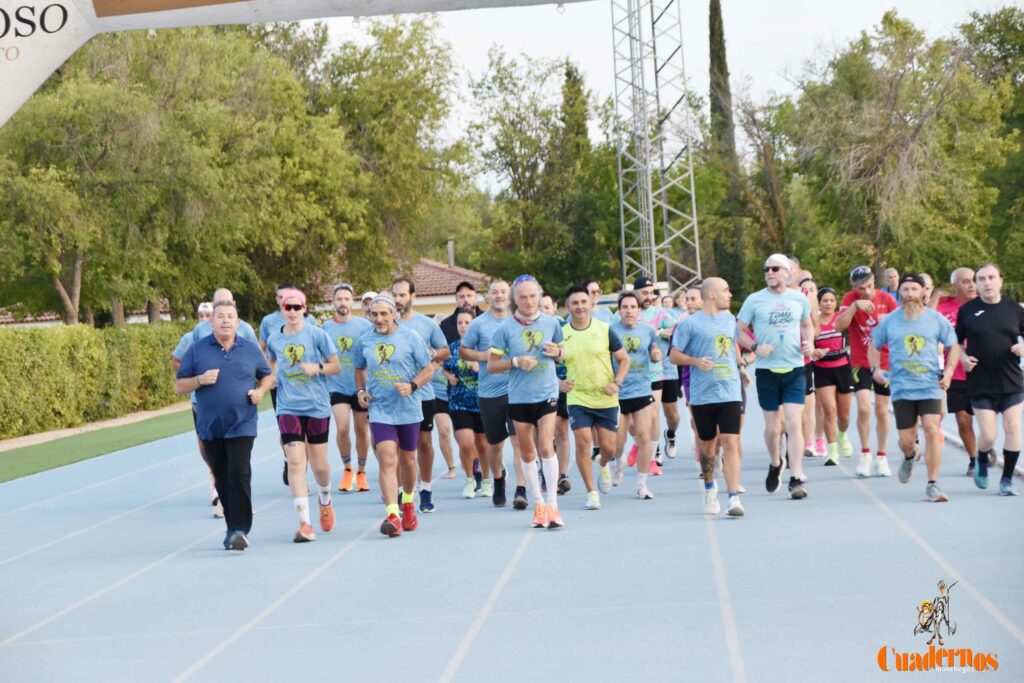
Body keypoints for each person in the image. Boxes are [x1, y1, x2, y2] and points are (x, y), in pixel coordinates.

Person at [175, 301, 273, 550]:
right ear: (212, 322)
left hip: (243, 423)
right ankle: (232, 527)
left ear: (238, 322)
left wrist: (261, 391)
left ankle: (240, 529)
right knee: (221, 477)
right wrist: (199, 379)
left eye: (230, 316)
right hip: (211, 425)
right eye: (220, 316)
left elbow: (267, 375)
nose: (226, 320)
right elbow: (179, 385)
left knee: (239, 473)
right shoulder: (197, 349)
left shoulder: (249, 349)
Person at [869, 274, 960, 502]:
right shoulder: (890, 320)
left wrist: (949, 372)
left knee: (931, 428)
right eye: (906, 289)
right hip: (902, 388)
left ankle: (932, 484)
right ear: (900, 293)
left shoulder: (935, 319)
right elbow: (874, 345)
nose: (910, 294)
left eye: (914, 289)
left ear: (922, 292)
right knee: (906, 441)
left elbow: (953, 345)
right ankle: (909, 456)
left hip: (930, 385)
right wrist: (875, 369)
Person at [354, 295, 437, 537]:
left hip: (408, 408)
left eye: (383, 314)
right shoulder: (364, 339)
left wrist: (412, 385)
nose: (379, 319)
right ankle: (393, 514)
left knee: (408, 459)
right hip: (380, 408)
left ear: (393, 314)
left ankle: (408, 502)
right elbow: (358, 367)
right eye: (374, 314)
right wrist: (360, 391)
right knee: (387, 457)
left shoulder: (410, 337)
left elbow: (429, 369)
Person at [489, 275, 566, 529]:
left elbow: (562, 352)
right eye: (523, 297)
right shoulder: (505, 329)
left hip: (547, 392)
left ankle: (553, 504)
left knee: (545, 445)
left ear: (539, 296)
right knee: (528, 451)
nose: (529, 301)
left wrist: (558, 353)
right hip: (519, 396)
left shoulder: (552, 322)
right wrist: (515, 362)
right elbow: (492, 366)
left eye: (533, 296)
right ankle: (538, 503)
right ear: (515, 299)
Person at [265, 289, 341, 543]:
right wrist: (270, 380)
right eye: (288, 307)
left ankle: (325, 498)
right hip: (288, 407)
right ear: (282, 310)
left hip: (317, 406)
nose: (293, 311)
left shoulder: (317, 334)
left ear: (304, 309)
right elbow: (271, 365)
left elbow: (336, 366)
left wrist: (317, 367)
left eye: (297, 307)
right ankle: (304, 523)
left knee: (320, 466)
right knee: (296, 462)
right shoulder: (275, 339)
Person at [737, 253, 814, 499]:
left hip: (795, 368)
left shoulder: (798, 298)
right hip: (767, 371)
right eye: (766, 269)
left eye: (774, 269)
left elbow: (807, 324)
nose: (769, 273)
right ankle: (775, 462)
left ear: (787, 272)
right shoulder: (754, 300)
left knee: (793, 422)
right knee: (773, 429)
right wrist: (754, 346)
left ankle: (796, 476)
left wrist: (810, 343)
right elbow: (738, 330)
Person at [672, 277, 747, 516]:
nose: (730, 295)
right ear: (712, 295)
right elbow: (674, 355)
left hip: (730, 390)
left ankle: (733, 498)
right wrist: (694, 361)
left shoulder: (730, 319)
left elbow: (733, 346)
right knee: (708, 446)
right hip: (702, 394)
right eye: (726, 290)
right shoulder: (689, 324)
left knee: (731, 442)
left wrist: (742, 366)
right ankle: (709, 488)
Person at [955, 263, 1024, 496]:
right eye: (981, 279)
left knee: (1013, 427)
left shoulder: (1014, 309)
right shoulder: (967, 311)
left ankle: (1007, 480)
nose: (987, 283)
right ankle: (982, 457)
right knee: (989, 434)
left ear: (1000, 280)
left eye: (992, 277)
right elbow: (956, 343)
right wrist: (963, 358)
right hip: (980, 381)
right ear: (976, 284)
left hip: (1011, 379)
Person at [561, 283, 630, 510]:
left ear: (590, 303)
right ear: (567, 306)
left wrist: (617, 383)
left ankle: (603, 463)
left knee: (609, 448)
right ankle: (592, 493)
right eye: (575, 303)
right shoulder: (561, 333)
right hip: (578, 397)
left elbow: (624, 359)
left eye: (583, 302)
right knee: (583, 442)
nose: (580, 306)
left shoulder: (604, 329)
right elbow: (546, 363)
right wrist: (558, 383)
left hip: (605, 397)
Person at [460, 280, 528, 508]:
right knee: (495, 445)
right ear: (487, 297)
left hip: (518, 390)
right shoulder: (479, 324)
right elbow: (464, 351)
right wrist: (484, 356)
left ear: (511, 295)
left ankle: (521, 488)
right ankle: (498, 479)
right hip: (490, 392)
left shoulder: (520, 321)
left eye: (503, 292)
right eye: (494, 292)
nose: (499, 296)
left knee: (519, 441)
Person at [391, 278, 452, 513]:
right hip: (394, 396)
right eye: (395, 295)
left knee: (424, 443)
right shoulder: (385, 324)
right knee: (398, 447)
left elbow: (445, 351)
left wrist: (432, 353)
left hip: (423, 394)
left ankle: (425, 489)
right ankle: (401, 492)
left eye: (402, 295)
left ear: (413, 297)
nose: (398, 299)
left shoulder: (426, 324)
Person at [842, 266, 899, 478]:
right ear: (853, 287)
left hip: (884, 362)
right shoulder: (850, 299)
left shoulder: (887, 299)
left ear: (874, 283)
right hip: (860, 361)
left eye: (868, 287)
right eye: (859, 288)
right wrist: (854, 307)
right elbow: (839, 326)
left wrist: (888, 323)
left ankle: (881, 456)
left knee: (882, 411)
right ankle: (865, 453)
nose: (865, 292)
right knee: (864, 408)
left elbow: (900, 328)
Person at [258, 282, 315, 486]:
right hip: (281, 386)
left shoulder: (309, 320)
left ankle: (301, 473)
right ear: (278, 301)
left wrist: (314, 369)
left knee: (306, 434)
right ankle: (289, 459)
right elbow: (262, 350)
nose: (289, 305)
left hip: (306, 386)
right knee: (288, 431)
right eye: (281, 298)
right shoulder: (268, 322)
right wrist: (269, 375)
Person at [321, 283, 374, 493]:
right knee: (342, 427)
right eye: (339, 299)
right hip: (336, 386)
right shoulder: (326, 328)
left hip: (360, 386)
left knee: (361, 429)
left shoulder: (364, 326)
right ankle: (348, 469)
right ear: (333, 302)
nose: (343, 303)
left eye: (346, 299)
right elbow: (321, 356)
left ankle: (361, 472)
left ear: (352, 302)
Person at [171, 301, 221, 516]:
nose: (204, 319)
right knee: (205, 444)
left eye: (208, 315)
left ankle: (222, 485)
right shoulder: (190, 337)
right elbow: (175, 362)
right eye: (201, 315)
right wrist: (193, 375)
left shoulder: (226, 335)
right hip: (199, 400)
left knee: (226, 443)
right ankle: (214, 471)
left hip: (224, 399)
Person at [610, 291, 660, 498]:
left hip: (641, 389)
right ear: (619, 310)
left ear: (639, 310)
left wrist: (655, 355)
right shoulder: (610, 331)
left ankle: (642, 484)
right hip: (619, 392)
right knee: (618, 441)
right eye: (625, 307)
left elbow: (654, 350)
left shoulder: (648, 331)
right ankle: (618, 461)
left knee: (644, 436)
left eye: (633, 307)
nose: (629, 311)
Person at [934, 268, 979, 475]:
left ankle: (986, 447)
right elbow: (926, 322)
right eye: (966, 281)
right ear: (955, 285)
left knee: (987, 417)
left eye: (974, 280)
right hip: (956, 372)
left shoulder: (984, 303)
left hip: (984, 370)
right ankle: (974, 459)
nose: (972, 285)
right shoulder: (944, 306)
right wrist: (935, 298)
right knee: (963, 418)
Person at [443, 308, 489, 499]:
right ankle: (469, 479)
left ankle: (486, 480)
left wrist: (478, 364)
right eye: (460, 323)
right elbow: (443, 366)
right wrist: (448, 376)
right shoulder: (453, 348)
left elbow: (495, 368)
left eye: (467, 322)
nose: (463, 326)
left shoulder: (482, 346)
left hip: (482, 400)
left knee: (483, 445)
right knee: (466, 443)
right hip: (459, 401)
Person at [812, 287, 856, 465]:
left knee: (844, 417)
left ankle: (842, 435)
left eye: (831, 300)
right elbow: (806, 343)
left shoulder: (840, 318)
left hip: (842, 367)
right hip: (822, 369)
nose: (828, 304)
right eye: (825, 301)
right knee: (829, 410)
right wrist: (814, 351)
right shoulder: (813, 322)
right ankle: (832, 453)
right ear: (819, 303)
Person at [634, 276, 673, 469]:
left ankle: (651, 456)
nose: (649, 297)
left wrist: (663, 332)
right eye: (644, 293)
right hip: (633, 375)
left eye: (651, 293)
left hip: (655, 372)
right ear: (635, 293)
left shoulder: (660, 313)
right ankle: (638, 444)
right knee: (634, 421)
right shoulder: (626, 312)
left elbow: (676, 328)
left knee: (654, 415)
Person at [542, 293, 572, 493]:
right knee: (545, 434)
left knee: (561, 430)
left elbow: (570, 355)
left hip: (564, 386)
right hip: (542, 387)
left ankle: (562, 475)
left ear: (555, 307)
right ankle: (546, 472)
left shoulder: (565, 328)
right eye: (540, 307)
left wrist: (563, 382)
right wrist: (554, 381)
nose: (544, 311)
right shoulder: (533, 331)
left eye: (547, 307)